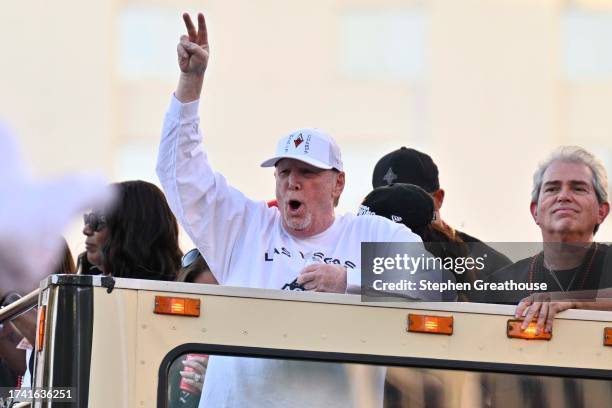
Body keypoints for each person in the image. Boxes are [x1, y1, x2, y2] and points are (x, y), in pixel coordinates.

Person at [156, 12, 445, 408]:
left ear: (338, 183)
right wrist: (191, 84)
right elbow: (180, 174)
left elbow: (431, 281)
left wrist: (348, 281)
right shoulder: (245, 227)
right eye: (284, 172)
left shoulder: (371, 234)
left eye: (307, 173)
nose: (292, 182)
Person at [488, 146, 611, 334]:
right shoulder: (503, 282)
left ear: (601, 212)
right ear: (535, 211)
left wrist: (572, 300)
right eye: (552, 189)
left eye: (578, 188)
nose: (563, 196)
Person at [372, 147, 512, 280]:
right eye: (385, 203)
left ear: (438, 199)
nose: (396, 214)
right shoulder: (363, 255)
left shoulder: (492, 268)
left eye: (409, 202)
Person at [80, 180, 182, 281]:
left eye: (97, 220)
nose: (86, 230)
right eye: (88, 219)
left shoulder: (177, 294)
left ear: (134, 230)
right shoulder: (82, 285)